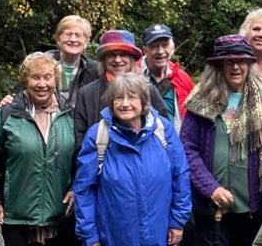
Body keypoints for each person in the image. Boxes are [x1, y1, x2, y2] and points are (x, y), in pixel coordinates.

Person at [179, 34, 262, 246]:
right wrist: (210, 188)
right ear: (219, 66)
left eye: (241, 61)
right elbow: (187, 149)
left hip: (250, 206)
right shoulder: (200, 100)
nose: (235, 67)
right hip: (211, 207)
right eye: (229, 61)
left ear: (249, 64)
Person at [73, 73, 190, 246]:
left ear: (144, 101)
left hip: (160, 234)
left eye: (132, 98)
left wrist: (177, 221)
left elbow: (180, 176)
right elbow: (84, 190)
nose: (125, 104)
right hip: (114, 237)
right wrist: (90, 236)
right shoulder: (98, 136)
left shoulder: (162, 129)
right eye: (118, 98)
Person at [0, 52, 77, 246]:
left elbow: (79, 158)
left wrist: (76, 188)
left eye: (47, 77)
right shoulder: (9, 114)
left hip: (61, 214)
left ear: (55, 80)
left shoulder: (69, 114)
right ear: (25, 80)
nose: (42, 84)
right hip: (18, 216)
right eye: (35, 77)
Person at [73, 30, 167, 153]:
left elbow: (164, 130)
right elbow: (80, 140)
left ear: (132, 59)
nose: (118, 60)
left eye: (123, 54)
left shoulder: (148, 89)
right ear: (104, 59)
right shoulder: (86, 94)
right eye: (112, 54)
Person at [142, 23, 194, 132]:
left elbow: (194, 116)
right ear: (145, 50)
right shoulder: (133, 77)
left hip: (176, 144)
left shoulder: (182, 78)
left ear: (172, 48)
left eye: (165, 45)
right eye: (154, 46)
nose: (160, 51)